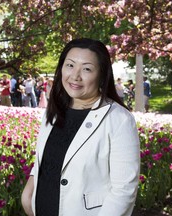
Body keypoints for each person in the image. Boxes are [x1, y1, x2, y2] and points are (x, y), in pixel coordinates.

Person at [21, 38, 140, 216]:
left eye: (87, 69)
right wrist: (28, 193)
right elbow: (46, 161)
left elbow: (124, 191)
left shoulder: (118, 119)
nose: (75, 76)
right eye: (70, 65)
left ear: (102, 75)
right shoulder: (53, 111)